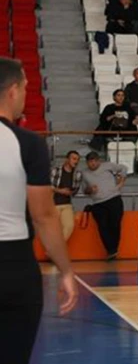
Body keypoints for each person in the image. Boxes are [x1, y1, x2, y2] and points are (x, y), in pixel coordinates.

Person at [0, 57, 77, 363]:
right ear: (13, 90)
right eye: (26, 87)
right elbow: (44, 215)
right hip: (12, 265)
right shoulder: (27, 144)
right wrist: (66, 270)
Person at [82, 151, 127, 259]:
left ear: (99, 161)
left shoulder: (108, 166)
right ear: (87, 163)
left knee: (115, 225)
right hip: (98, 203)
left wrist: (121, 181)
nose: (92, 164)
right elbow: (84, 190)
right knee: (102, 227)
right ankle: (110, 250)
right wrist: (89, 189)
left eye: (94, 161)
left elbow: (123, 168)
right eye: (90, 162)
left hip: (114, 199)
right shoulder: (84, 173)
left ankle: (114, 249)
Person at [50, 150, 83, 241]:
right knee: (52, 229)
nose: (76, 161)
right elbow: (47, 186)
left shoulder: (78, 174)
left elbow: (75, 191)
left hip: (67, 204)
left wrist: (70, 192)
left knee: (69, 226)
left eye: (78, 160)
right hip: (53, 204)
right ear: (67, 159)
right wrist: (61, 191)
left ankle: (55, 249)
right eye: (74, 159)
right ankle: (53, 250)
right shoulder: (55, 170)